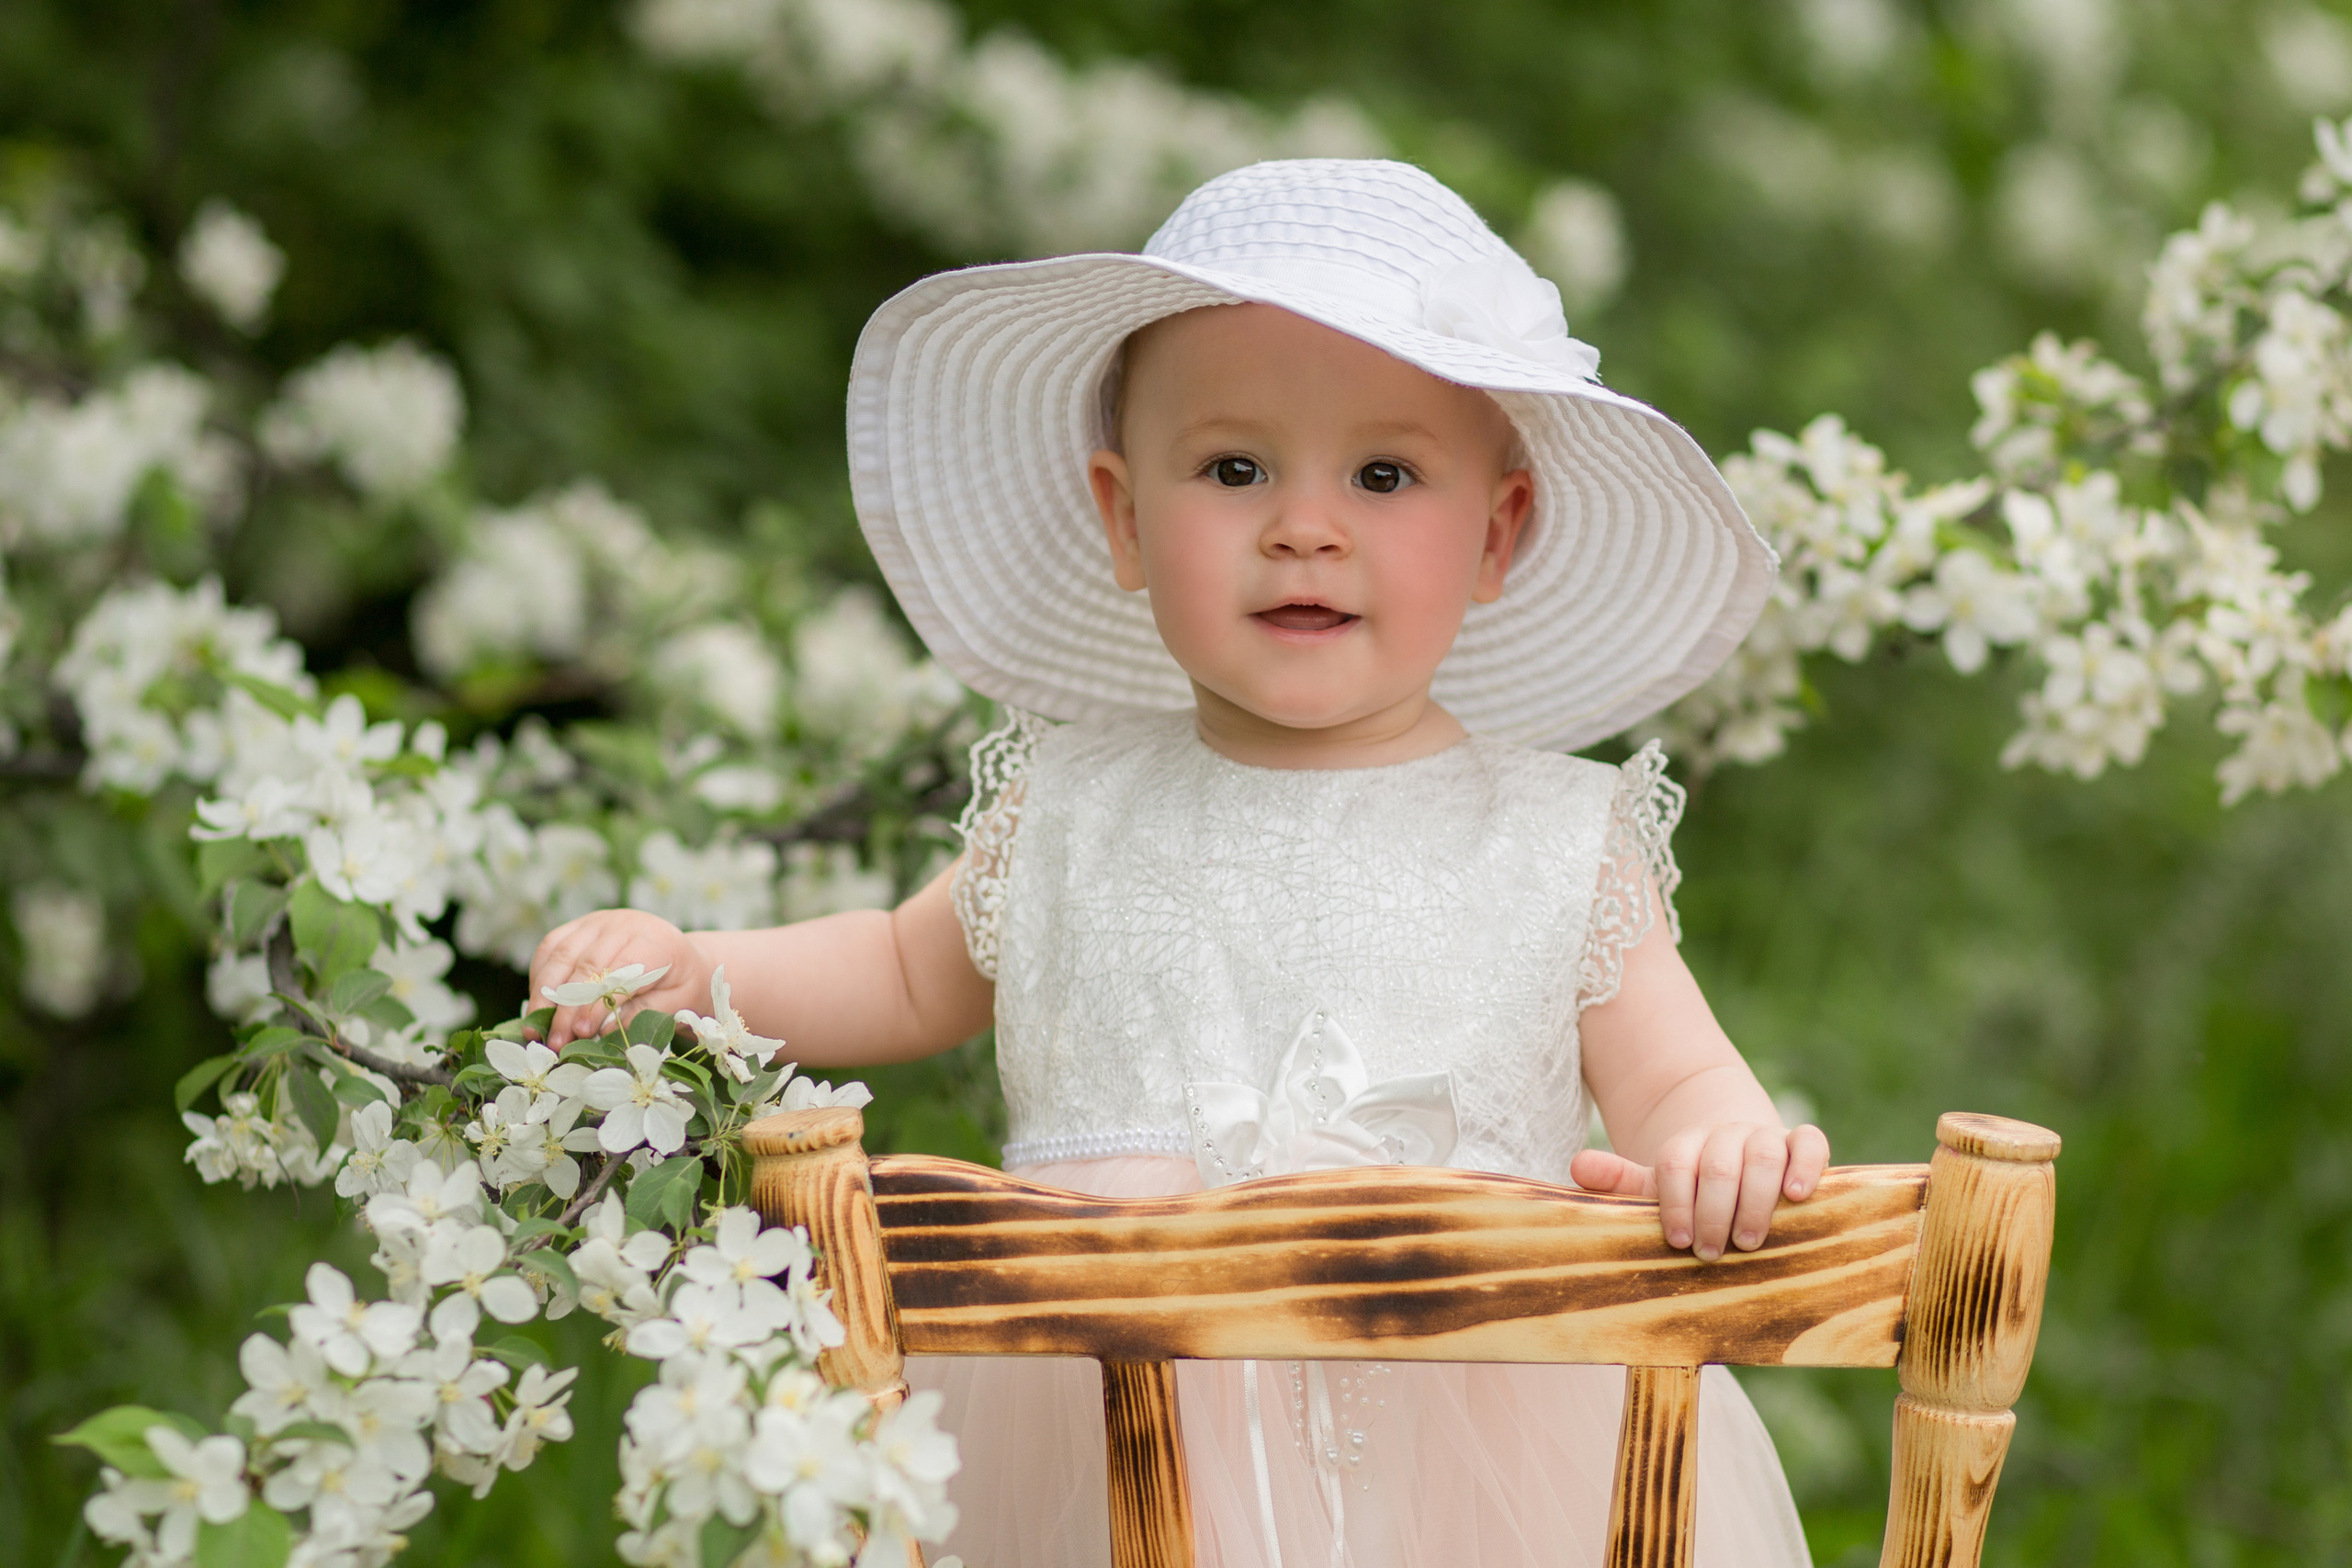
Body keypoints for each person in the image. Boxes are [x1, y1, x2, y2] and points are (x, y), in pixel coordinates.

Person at [531, 159, 1824, 1568]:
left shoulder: (1552, 840)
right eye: (1234, 469)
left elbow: (1675, 1078)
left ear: (1497, 531)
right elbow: (900, 970)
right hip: (1105, 1427)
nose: (1305, 526)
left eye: (1384, 475)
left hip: (1469, 1438)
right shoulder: (1074, 805)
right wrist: (698, 967)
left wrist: (1719, 1139)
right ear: (1125, 517)